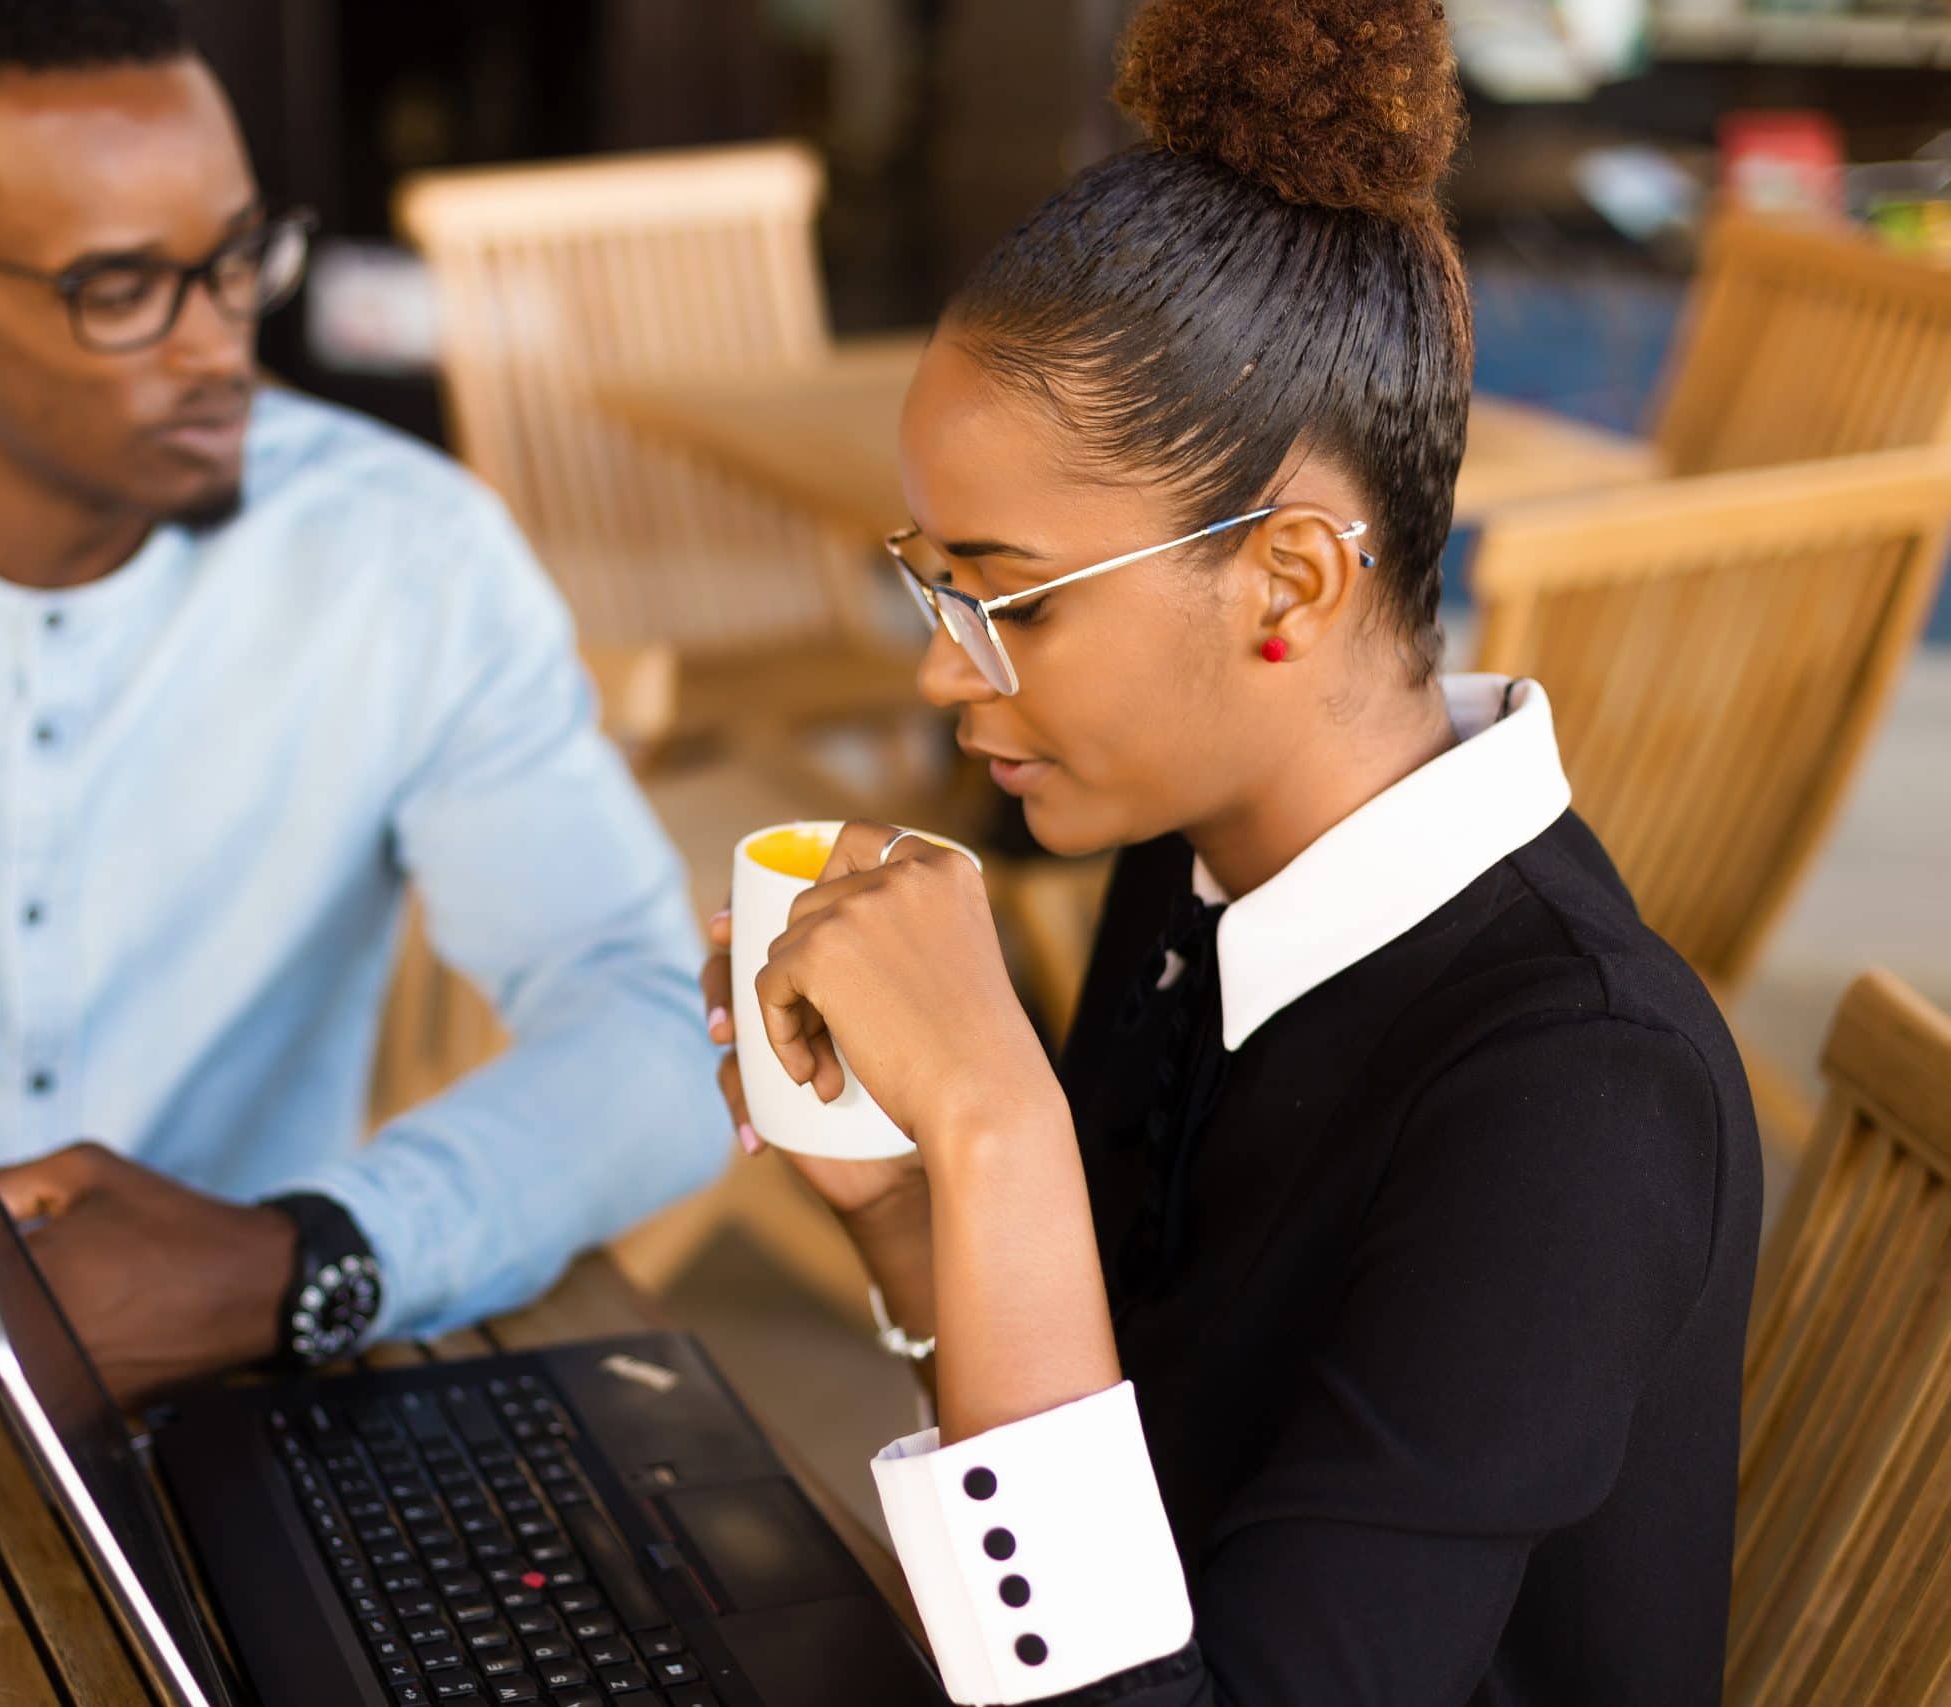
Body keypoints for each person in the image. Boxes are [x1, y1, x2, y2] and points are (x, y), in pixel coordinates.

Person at [699, 1, 1760, 1700]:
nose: (934, 667)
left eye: (1006, 599)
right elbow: (1126, 1514)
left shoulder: (1578, 1101)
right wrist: (914, 1216)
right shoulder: (1190, 865)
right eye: (933, 586)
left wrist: (997, 1125)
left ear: (1288, 583)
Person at [0, 0, 726, 1390]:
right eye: (121, 289)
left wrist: (303, 1257)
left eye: (232, 262)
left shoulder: (409, 562)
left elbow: (651, 1023)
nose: (218, 345)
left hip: (262, 1357)